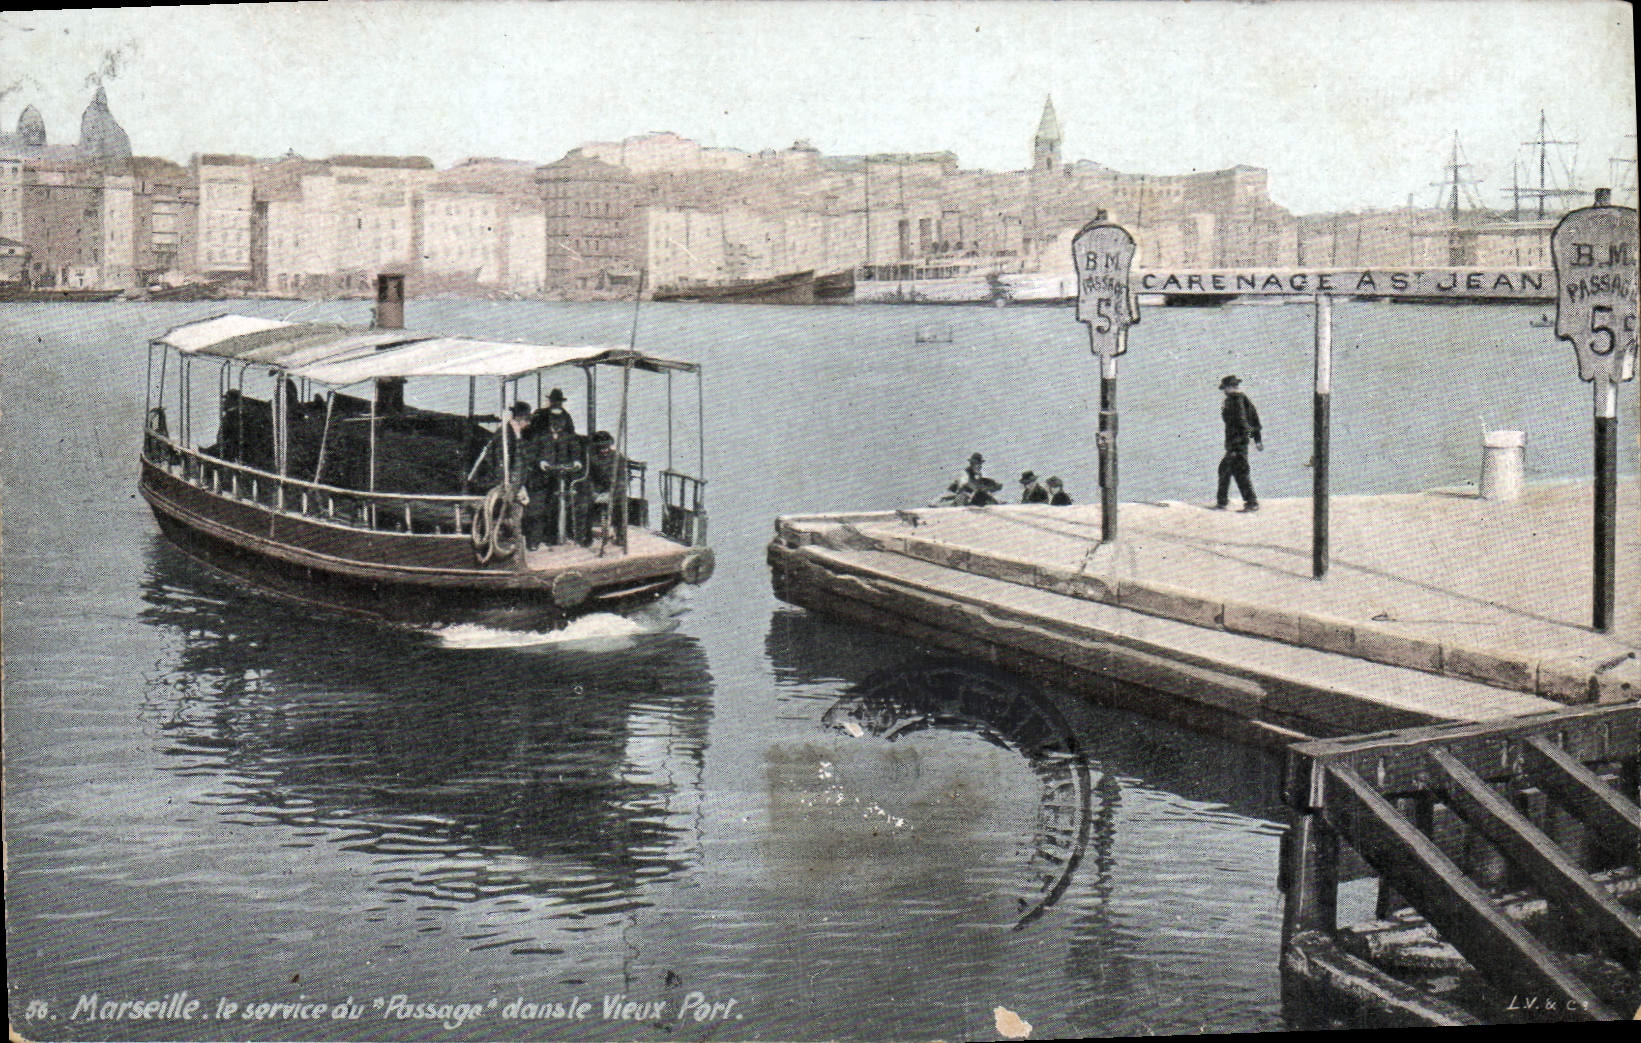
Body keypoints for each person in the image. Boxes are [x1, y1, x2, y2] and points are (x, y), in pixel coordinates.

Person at [1215, 375, 1262, 512]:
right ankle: (1223, 502)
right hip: (1238, 443)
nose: (1224, 391)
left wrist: (1248, 439)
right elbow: (1254, 420)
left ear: (1229, 388)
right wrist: (1256, 439)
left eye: (1225, 388)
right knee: (1227, 470)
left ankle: (1250, 503)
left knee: (1238, 472)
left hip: (1236, 444)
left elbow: (1242, 423)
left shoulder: (1235, 401)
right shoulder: (1244, 399)